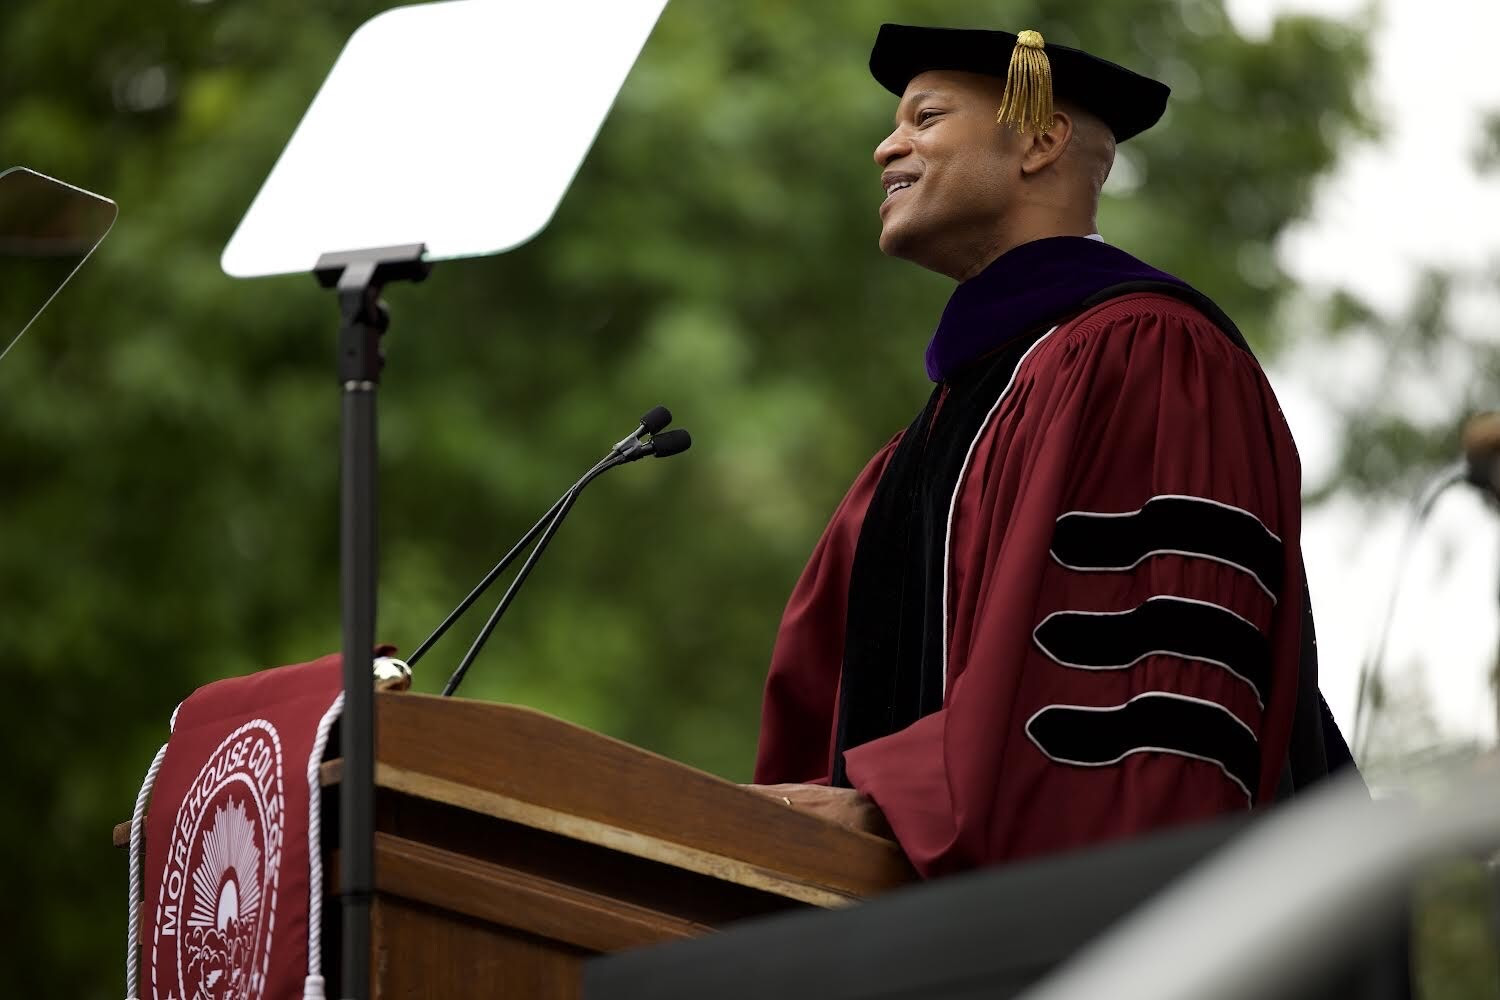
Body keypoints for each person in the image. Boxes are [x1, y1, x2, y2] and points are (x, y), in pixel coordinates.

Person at [748, 23, 1357, 878]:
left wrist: (899, 811)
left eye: (925, 117)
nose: (888, 144)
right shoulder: (924, 445)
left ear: (1039, 140)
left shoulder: (1156, 359)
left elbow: (1152, 710)